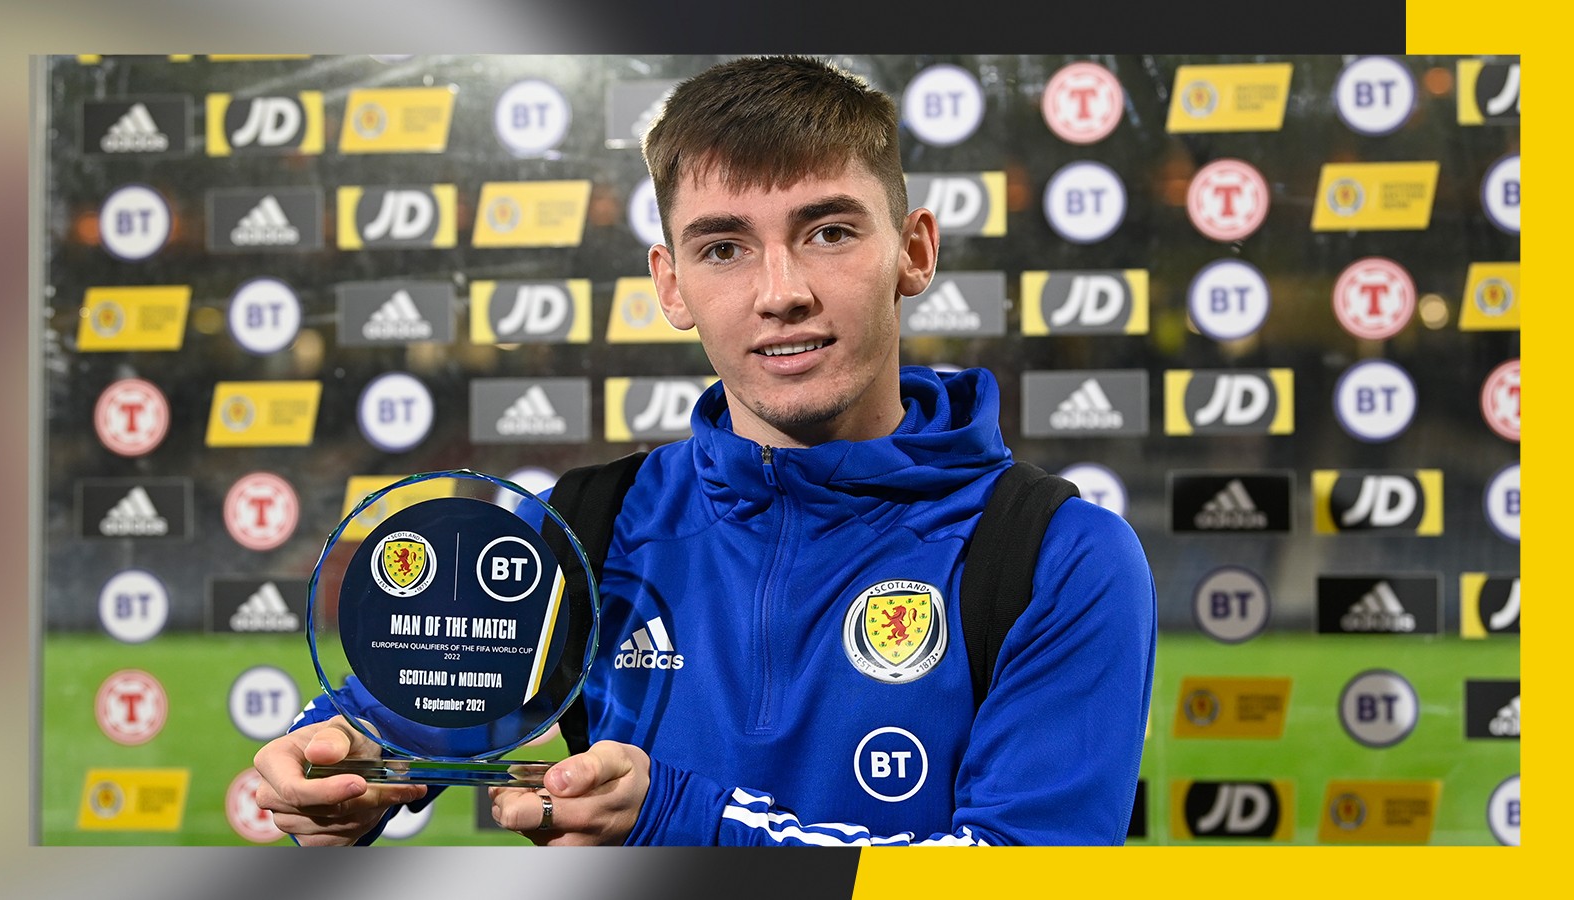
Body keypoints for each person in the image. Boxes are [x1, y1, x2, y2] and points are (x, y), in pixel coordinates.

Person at [254, 54, 1156, 846]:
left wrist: (676, 823)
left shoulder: (1058, 556)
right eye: (723, 247)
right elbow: (400, 713)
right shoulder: (587, 524)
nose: (781, 292)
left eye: (830, 231)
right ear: (671, 284)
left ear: (914, 253)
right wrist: (336, 765)